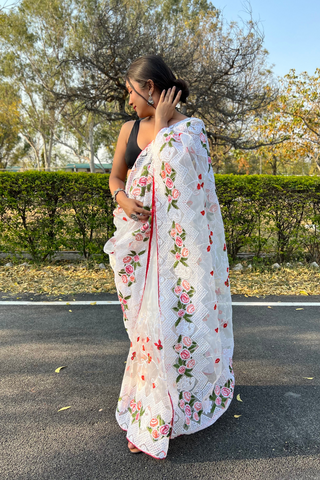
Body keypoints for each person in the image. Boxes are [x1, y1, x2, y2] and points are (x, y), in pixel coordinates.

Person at [104, 54, 235, 460]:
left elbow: (186, 191)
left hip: (179, 255)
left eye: (132, 91)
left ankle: (163, 414)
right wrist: (122, 199)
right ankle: (158, 400)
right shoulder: (128, 129)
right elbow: (117, 178)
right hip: (140, 249)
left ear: (152, 88)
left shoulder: (189, 131)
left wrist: (160, 126)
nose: (129, 100)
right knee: (148, 327)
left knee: (177, 324)